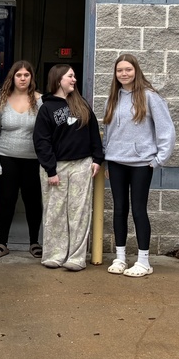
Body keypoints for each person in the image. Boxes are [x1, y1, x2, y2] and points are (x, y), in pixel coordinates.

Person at [102, 53, 176, 278]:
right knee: (119, 209)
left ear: (136, 71)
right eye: (119, 70)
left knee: (138, 210)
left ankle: (144, 261)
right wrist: (107, 156)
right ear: (115, 74)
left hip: (142, 163)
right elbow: (109, 132)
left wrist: (159, 159)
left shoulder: (149, 96)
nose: (124, 74)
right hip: (116, 162)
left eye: (128, 69)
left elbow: (166, 129)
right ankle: (121, 257)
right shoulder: (112, 98)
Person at [32, 64, 104, 272]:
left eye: (74, 76)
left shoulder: (81, 104)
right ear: (58, 79)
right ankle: (54, 254)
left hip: (82, 164)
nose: (74, 79)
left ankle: (76, 257)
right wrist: (51, 170)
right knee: (55, 212)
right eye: (70, 76)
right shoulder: (46, 108)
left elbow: (93, 132)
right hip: (56, 168)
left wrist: (97, 159)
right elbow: (41, 141)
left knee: (78, 212)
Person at [0, 60, 44, 259]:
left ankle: (34, 242)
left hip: (33, 161)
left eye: (26, 75)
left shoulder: (40, 101)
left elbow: (45, 134)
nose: (22, 78)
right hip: (6, 159)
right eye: (19, 75)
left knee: (33, 203)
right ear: (13, 77)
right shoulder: (1, 101)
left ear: (31, 78)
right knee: (5, 202)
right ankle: (2, 242)